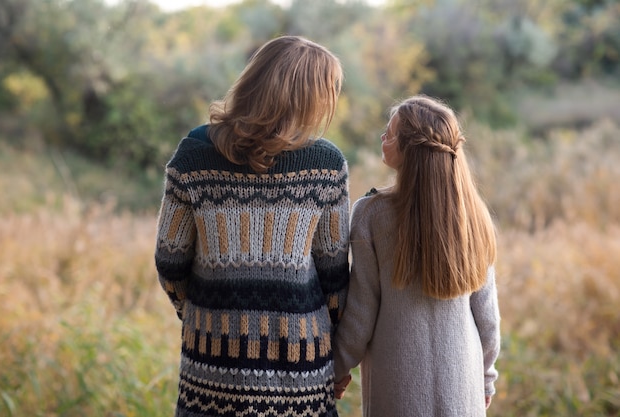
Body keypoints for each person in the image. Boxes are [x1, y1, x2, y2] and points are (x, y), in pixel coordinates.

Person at [154, 35, 350, 417]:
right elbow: (335, 278)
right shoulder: (326, 163)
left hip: (212, 367)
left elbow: (169, 261)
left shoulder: (194, 153)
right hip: (301, 372)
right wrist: (332, 346)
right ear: (308, 97)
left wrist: (201, 313)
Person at [332, 95, 501, 416]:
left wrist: (336, 371)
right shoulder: (474, 214)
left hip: (399, 392)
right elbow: (488, 319)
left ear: (410, 149)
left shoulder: (371, 214)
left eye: (390, 133)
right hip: (462, 389)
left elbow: (360, 314)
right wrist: (485, 381)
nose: (383, 137)